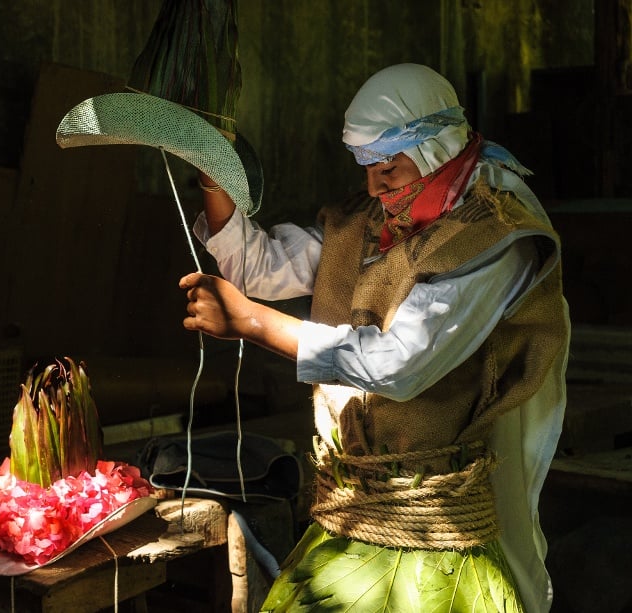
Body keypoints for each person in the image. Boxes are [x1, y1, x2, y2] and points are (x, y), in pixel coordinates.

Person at [179, 63, 570, 612]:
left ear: (435, 147)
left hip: (433, 521)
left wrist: (254, 324)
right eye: (365, 167)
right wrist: (213, 175)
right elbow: (262, 267)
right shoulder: (376, 217)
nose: (373, 185)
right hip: (355, 502)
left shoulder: (495, 234)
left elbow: (399, 365)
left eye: (388, 166)